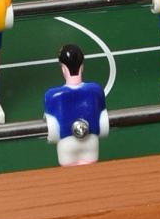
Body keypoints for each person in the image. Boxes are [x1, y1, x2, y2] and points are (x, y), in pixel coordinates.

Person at [41, 39, 109, 167]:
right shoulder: (96, 90)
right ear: (82, 67)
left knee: (69, 171)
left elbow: (51, 128)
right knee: (91, 169)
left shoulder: (52, 96)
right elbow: (103, 119)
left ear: (63, 69)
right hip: (91, 141)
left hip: (66, 143)